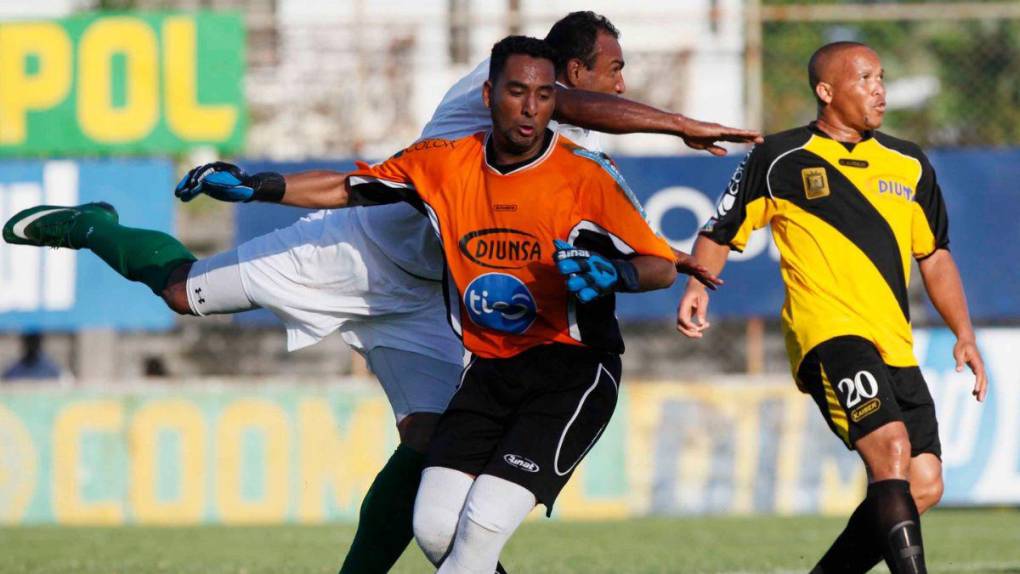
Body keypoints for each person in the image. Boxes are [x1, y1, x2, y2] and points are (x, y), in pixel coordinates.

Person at [3, 12, 747, 572]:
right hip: (351, 253)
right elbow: (577, 107)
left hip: (431, 299)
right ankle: (94, 225)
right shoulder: (498, 92)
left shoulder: (567, 159)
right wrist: (678, 124)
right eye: (614, 69)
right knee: (178, 291)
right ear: (557, 75)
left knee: (428, 449)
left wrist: (653, 263)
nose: (622, 85)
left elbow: (630, 236)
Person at [306, 34, 677, 572]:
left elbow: (660, 264)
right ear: (487, 94)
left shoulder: (585, 173)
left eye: (545, 95)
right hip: (487, 373)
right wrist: (261, 185)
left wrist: (615, 271)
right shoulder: (446, 163)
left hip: (571, 372)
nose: (531, 109)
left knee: (480, 525)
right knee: (433, 527)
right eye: (518, 92)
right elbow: (349, 185)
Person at [675, 41, 988, 574]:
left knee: (925, 483)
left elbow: (934, 255)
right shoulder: (779, 157)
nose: (880, 89)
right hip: (828, 334)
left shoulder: (909, 163)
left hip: (893, 341)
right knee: (888, 449)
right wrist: (698, 283)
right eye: (865, 78)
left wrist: (964, 332)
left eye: (882, 77)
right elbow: (720, 229)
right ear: (826, 91)